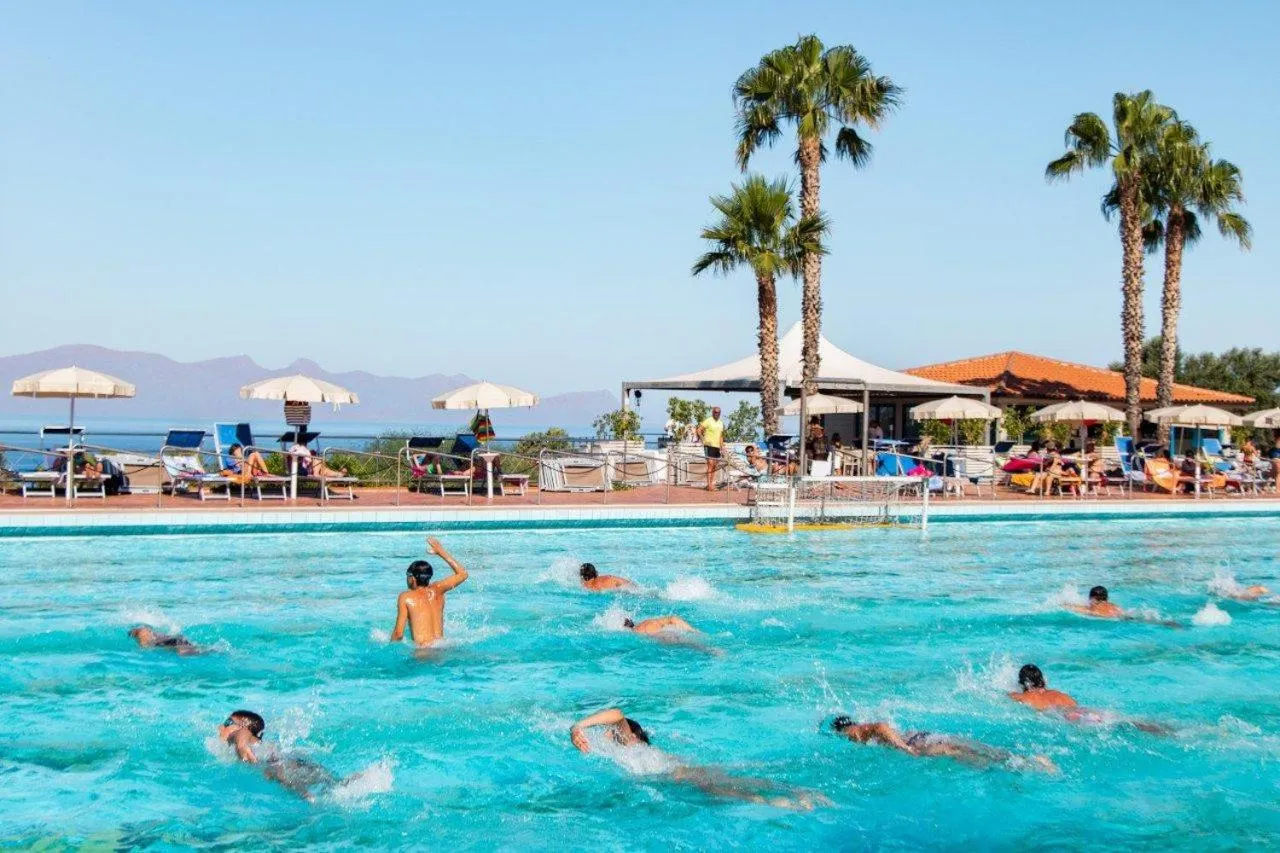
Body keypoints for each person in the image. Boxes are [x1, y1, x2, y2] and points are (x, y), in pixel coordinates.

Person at [570, 707, 826, 811]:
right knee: (735, 780)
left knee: (721, 791)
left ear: (633, 736)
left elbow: (616, 713)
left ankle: (782, 802)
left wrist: (578, 726)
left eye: (614, 732)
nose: (608, 733)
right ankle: (802, 793)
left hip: (677, 774)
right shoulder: (634, 751)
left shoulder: (629, 743)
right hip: (681, 769)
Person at [829, 717, 1056, 772]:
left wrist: (904, 749)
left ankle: (1017, 767)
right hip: (926, 735)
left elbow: (881, 727)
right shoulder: (860, 727)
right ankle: (1027, 761)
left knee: (962, 756)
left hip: (916, 744)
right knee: (976, 749)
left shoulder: (853, 732)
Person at [217, 710, 346, 800]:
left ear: (243, 727)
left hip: (277, 763)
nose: (221, 726)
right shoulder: (260, 745)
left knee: (279, 775)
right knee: (337, 785)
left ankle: (309, 798)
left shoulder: (240, 737)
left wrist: (241, 744)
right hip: (293, 760)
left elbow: (242, 734)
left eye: (228, 722)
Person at [1009, 664, 1169, 733]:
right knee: (1122, 722)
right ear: (1043, 680)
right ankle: (1160, 728)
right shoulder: (1060, 694)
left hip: (1065, 717)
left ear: (1024, 683)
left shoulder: (1022, 697)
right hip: (1081, 711)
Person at [389, 537, 469, 648]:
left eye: (407, 576)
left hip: (424, 654)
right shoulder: (438, 590)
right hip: (443, 648)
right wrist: (440, 551)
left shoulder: (406, 597)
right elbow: (463, 574)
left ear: (412, 578)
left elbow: (398, 634)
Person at [695, 406, 725, 491]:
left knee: (714, 466)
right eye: (715, 412)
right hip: (709, 446)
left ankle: (710, 484)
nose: (717, 414)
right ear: (712, 412)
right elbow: (699, 430)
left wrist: (722, 447)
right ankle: (709, 485)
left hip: (717, 447)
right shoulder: (708, 420)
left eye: (718, 412)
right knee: (710, 465)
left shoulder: (720, 423)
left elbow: (721, 436)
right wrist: (703, 439)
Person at [129, 625, 202, 655]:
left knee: (186, 653)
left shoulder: (140, 633)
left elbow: (145, 647)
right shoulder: (154, 633)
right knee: (198, 650)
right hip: (177, 639)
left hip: (173, 642)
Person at [623, 615, 696, 635]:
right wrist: (692, 630)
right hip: (667, 633)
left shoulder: (637, 631)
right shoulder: (648, 622)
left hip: (663, 637)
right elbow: (672, 619)